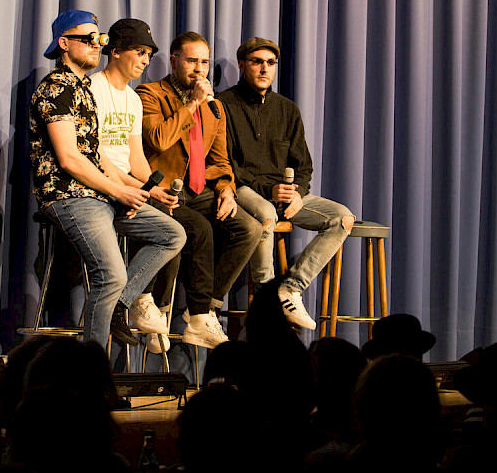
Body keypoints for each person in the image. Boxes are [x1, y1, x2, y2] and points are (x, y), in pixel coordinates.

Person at [29, 10, 184, 352]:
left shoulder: (84, 89)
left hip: (98, 193)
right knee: (111, 274)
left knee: (173, 233)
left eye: (98, 39)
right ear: (64, 44)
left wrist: (137, 191)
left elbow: (99, 156)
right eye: (87, 39)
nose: (96, 45)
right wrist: (118, 191)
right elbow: (70, 159)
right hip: (69, 196)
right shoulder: (56, 87)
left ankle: (119, 304)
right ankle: (92, 370)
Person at [216, 37, 354, 330]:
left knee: (342, 218)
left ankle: (290, 289)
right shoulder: (224, 104)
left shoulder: (287, 109)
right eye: (257, 62)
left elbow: (303, 165)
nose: (264, 69)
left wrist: (299, 194)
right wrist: (268, 190)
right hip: (245, 190)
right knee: (266, 214)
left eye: (270, 63)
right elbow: (225, 163)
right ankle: (266, 299)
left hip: (284, 195)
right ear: (242, 65)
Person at [137, 31, 257, 348]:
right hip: (163, 188)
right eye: (192, 61)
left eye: (204, 62)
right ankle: (159, 311)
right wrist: (192, 104)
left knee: (249, 228)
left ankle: (204, 310)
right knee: (191, 229)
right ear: (174, 61)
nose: (199, 69)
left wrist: (227, 188)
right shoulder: (150, 94)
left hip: (197, 189)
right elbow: (158, 139)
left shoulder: (214, 107)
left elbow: (220, 159)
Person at [90, 18, 180, 352]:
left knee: (177, 232)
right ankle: (124, 305)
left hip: (125, 188)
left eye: (148, 55)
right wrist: (131, 190)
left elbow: (136, 158)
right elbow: (95, 155)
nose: (145, 60)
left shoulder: (132, 99)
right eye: (139, 52)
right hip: (99, 188)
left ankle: (122, 302)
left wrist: (157, 190)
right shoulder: (92, 89)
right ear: (115, 51)